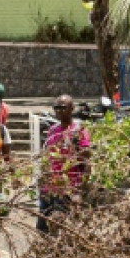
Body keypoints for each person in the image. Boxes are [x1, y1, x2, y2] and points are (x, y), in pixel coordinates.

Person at [39, 94, 92, 234]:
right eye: (56, 108)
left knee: (60, 230)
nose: (59, 111)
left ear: (72, 109)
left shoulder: (78, 132)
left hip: (68, 190)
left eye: (63, 107)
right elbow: (47, 159)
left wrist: (79, 192)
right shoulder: (52, 131)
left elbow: (87, 163)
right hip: (49, 190)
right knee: (42, 230)